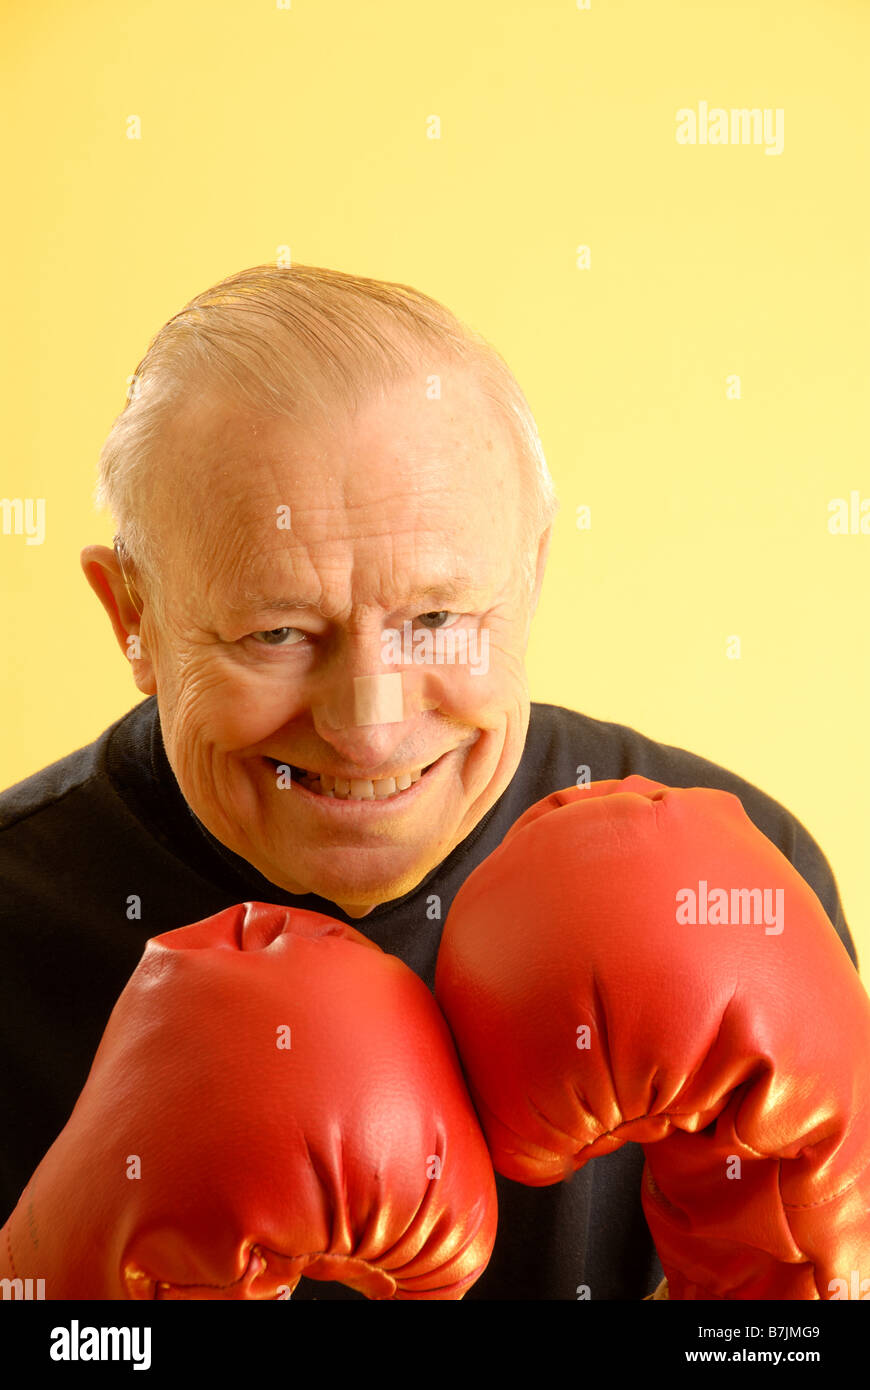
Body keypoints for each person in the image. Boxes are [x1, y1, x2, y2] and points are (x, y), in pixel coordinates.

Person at [0, 263, 856, 1300]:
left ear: (531, 576)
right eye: (277, 632)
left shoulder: (739, 876)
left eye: (437, 620)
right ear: (131, 615)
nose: (370, 722)